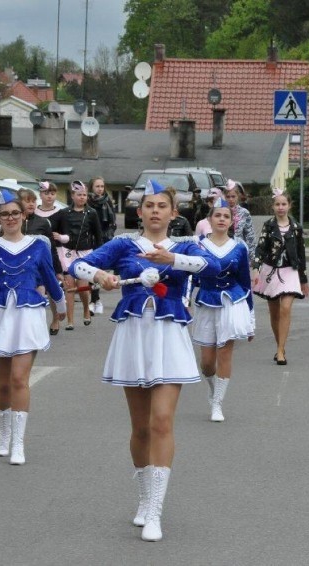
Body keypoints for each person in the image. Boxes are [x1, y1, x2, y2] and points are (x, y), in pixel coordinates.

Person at [68, 179, 219, 542]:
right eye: (149, 206)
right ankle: (143, 495)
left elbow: (211, 266)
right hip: (134, 335)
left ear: (173, 213)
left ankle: (155, 511)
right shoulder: (124, 244)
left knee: (162, 421)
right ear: (139, 212)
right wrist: (101, 275)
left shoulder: (187, 246)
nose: (155, 211)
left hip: (169, 336)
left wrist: (172, 259)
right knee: (140, 428)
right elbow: (78, 266)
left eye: (161, 206)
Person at [0, 191, 67, 465]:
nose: (10, 218)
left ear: (24, 215)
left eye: (15, 213)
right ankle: (5, 430)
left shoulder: (37, 245)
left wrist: (61, 306)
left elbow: (48, 277)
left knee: (20, 379)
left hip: (28, 315)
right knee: (3, 384)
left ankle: (18, 443)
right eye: (4, 214)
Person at [191, 193, 254, 422]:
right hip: (207, 301)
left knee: (225, 353)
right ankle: (211, 387)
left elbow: (245, 282)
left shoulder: (239, 247)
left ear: (231, 221)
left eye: (225, 216)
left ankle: (217, 403)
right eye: (217, 215)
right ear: (210, 219)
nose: (221, 219)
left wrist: (251, 317)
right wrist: (185, 301)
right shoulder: (198, 245)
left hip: (232, 302)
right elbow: (191, 276)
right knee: (207, 362)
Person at [252, 189, 309, 365]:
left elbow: (301, 253)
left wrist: (303, 279)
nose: (281, 207)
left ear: (289, 206)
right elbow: (260, 248)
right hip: (271, 271)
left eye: (284, 204)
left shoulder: (296, 227)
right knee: (274, 311)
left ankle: (280, 350)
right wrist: (255, 268)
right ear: (273, 206)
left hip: (290, 271)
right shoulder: (269, 225)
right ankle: (280, 346)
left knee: (285, 308)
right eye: (277, 204)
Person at [55, 180, 103, 330]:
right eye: (79, 194)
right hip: (68, 252)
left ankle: (86, 309)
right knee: (69, 286)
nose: (82, 197)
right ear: (72, 196)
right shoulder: (64, 213)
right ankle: (70, 321)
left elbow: (98, 235)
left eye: (84, 195)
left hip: (85, 252)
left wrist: (99, 256)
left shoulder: (92, 213)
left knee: (82, 286)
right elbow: (55, 233)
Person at [34, 181, 65, 334]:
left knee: (52, 287)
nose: (49, 196)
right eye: (46, 193)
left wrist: (61, 237)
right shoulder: (33, 213)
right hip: (34, 255)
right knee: (38, 287)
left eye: (52, 193)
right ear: (40, 194)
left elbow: (67, 236)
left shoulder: (60, 213)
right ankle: (37, 320)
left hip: (54, 252)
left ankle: (55, 318)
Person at [88, 177, 117, 316]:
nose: (100, 189)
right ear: (91, 187)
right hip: (90, 238)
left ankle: (95, 299)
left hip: (104, 238)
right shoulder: (88, 201)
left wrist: (109, 234)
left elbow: (113, 221)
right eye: (97, 186)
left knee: (99, 269)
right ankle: (94, 299)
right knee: (91, 270)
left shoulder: (107, 201)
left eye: (102, 186)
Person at [224, 179, 255, 258]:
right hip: (223, 250)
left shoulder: (244, 213)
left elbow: (249, 235)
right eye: (228, 197)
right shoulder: (221, 212)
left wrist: (252, 256)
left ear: (238, 196)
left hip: (239, 251)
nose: (230, 199)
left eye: (233, 196)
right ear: (224, 197)